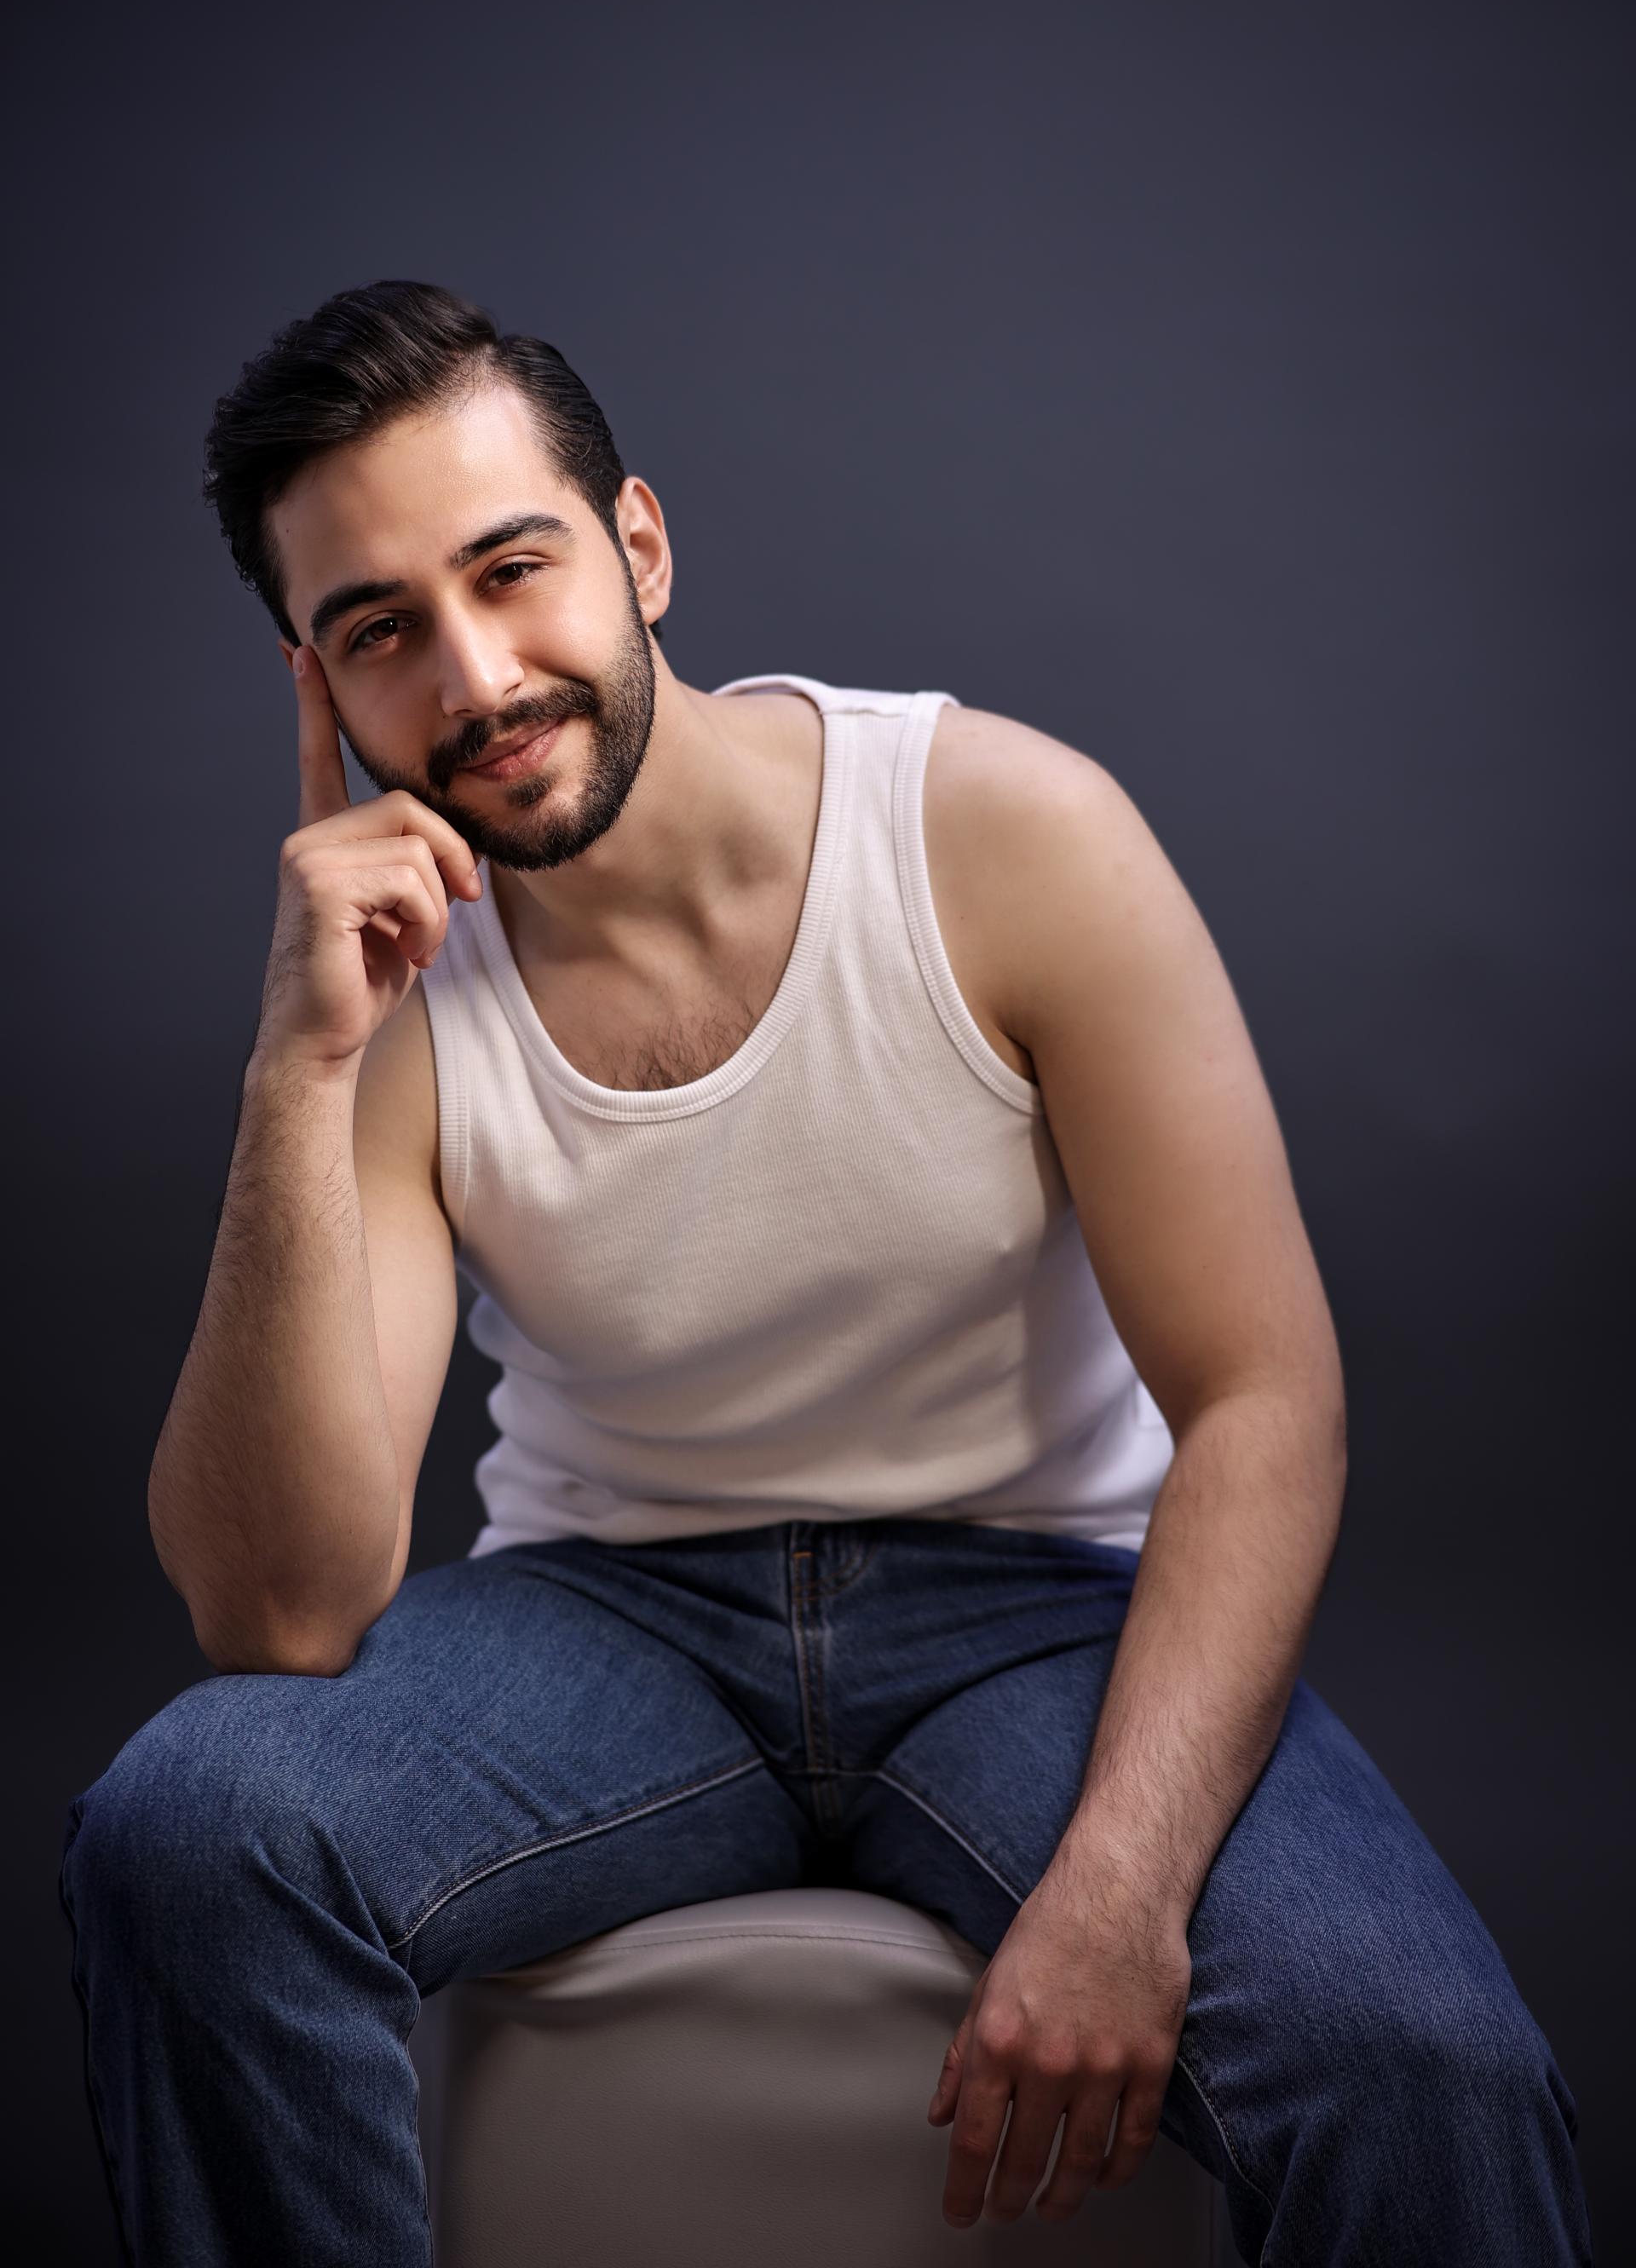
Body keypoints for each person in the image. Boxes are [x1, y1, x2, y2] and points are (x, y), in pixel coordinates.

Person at [58, 280, 1593, 2266]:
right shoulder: (395, 989)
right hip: (613, 1625)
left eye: (512, 571)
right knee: (188, 1830)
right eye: (380, 630)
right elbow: (280, 1604)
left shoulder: (1002, 833)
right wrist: (298, 1066)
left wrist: (1122, 1889)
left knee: (1423, 2063)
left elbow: (1261, 1397)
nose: (477, 677)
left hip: (1035, 1610)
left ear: (639, 546)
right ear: (318, 686)